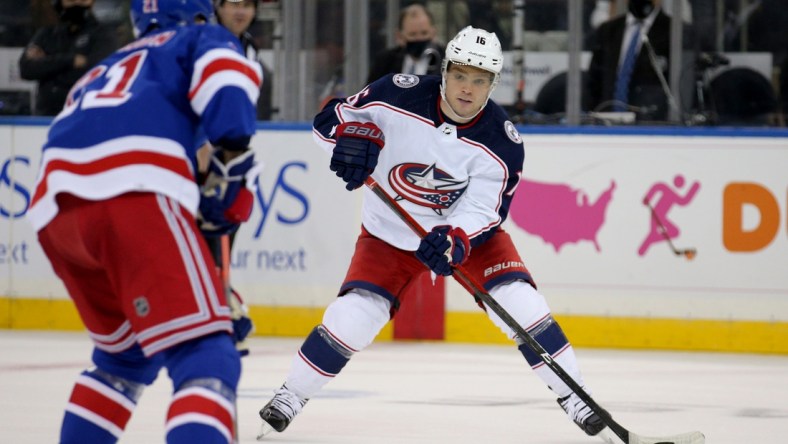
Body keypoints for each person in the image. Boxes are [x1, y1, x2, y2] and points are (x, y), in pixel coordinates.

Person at [256, 26, 607, 441]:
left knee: (520, 304)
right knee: (354, 317)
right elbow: (327, 122)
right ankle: (290, 395)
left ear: (494, 84)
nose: (467, 89)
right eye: (460, 75)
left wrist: (457, 238)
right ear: (444, 71)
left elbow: (484, 210)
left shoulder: (503, 142)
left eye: (480, 81)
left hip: (468, 237)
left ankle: (576, 395)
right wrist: (345, 139)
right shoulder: (396, 94)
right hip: (389, 232)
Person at [26, 0, 262, 442]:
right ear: (197, 16)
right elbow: (229, 91)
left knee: (124, 360)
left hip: (55, 211)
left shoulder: (107, 66)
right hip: (131, 191)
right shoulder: (200, 38)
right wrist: (233, 165)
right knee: (208, 354)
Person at [18, 0, 117, 116]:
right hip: (45, 118)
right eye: (71, 0)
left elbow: (97, 72)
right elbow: (26, 68)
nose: (77, 2)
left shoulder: (103, 35)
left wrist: (47, 66)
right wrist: (71, 60)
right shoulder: (47, 34)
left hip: (83, 117)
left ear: (92, 2)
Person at [586, 0, 676, 121]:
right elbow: (594, 82)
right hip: (607, 125)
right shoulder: (607, 30)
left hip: (655, 126)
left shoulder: (676, 32)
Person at [366, 3, 444, 85]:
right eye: (412, 34)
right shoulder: (385, 62)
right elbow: (368, 94)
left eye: (424, 33)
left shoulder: (447, 62)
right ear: (399, 36)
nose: (419, 38)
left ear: (434, 33)